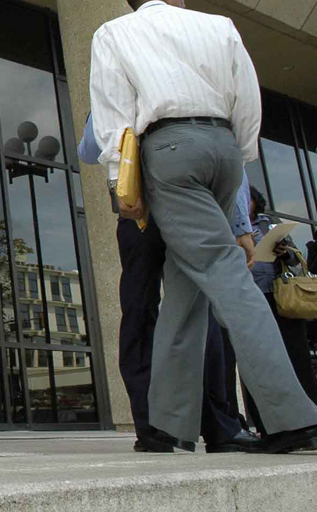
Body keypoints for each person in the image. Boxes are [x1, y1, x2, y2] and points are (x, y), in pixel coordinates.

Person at [88, 0, 317, 454]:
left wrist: (119, 182)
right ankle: (168, 424)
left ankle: (292, 419)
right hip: (224, 148)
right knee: (186, 286)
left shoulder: (113, 33)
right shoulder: (219, 26)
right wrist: (240, 154)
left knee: (223, 273)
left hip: (170, 149)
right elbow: (248, 97)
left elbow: (113, 112)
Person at [79, 113, 255, 452]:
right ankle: (217, 426)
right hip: (187, 204)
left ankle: (155, 427)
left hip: (141, 207)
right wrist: (239, 224)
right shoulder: (192, 92)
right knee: (195, 307)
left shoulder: (114, 89)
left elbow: (88, 149)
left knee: (143, 309)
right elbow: (229, 152)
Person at [240, 186, 317, 432]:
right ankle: (265, 425)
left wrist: (284, 253)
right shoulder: (231, 227)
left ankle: (310, 418)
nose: (244, 204)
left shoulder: (268, 224)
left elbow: (296, 260)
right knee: (259, 361)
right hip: (251, 299)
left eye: (248, 200)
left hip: (280, 297)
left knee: (297, 356)